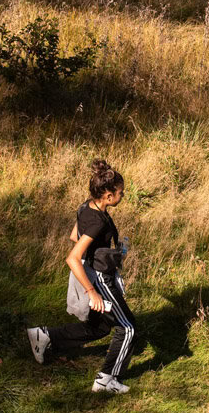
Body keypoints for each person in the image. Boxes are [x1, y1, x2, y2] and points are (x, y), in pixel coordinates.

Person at [25, 160, 139, 395]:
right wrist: (92, 290)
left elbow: (74, 235)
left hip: (97, 269)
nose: (123, 195)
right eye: (120, 193)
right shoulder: (98, 221)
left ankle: (45, 336)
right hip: (100, 279)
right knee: (127, 329)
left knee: (100, 328)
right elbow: (72, 257)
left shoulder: (86, 207)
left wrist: (105, 253)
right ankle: (106, 379)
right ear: (108, 195)